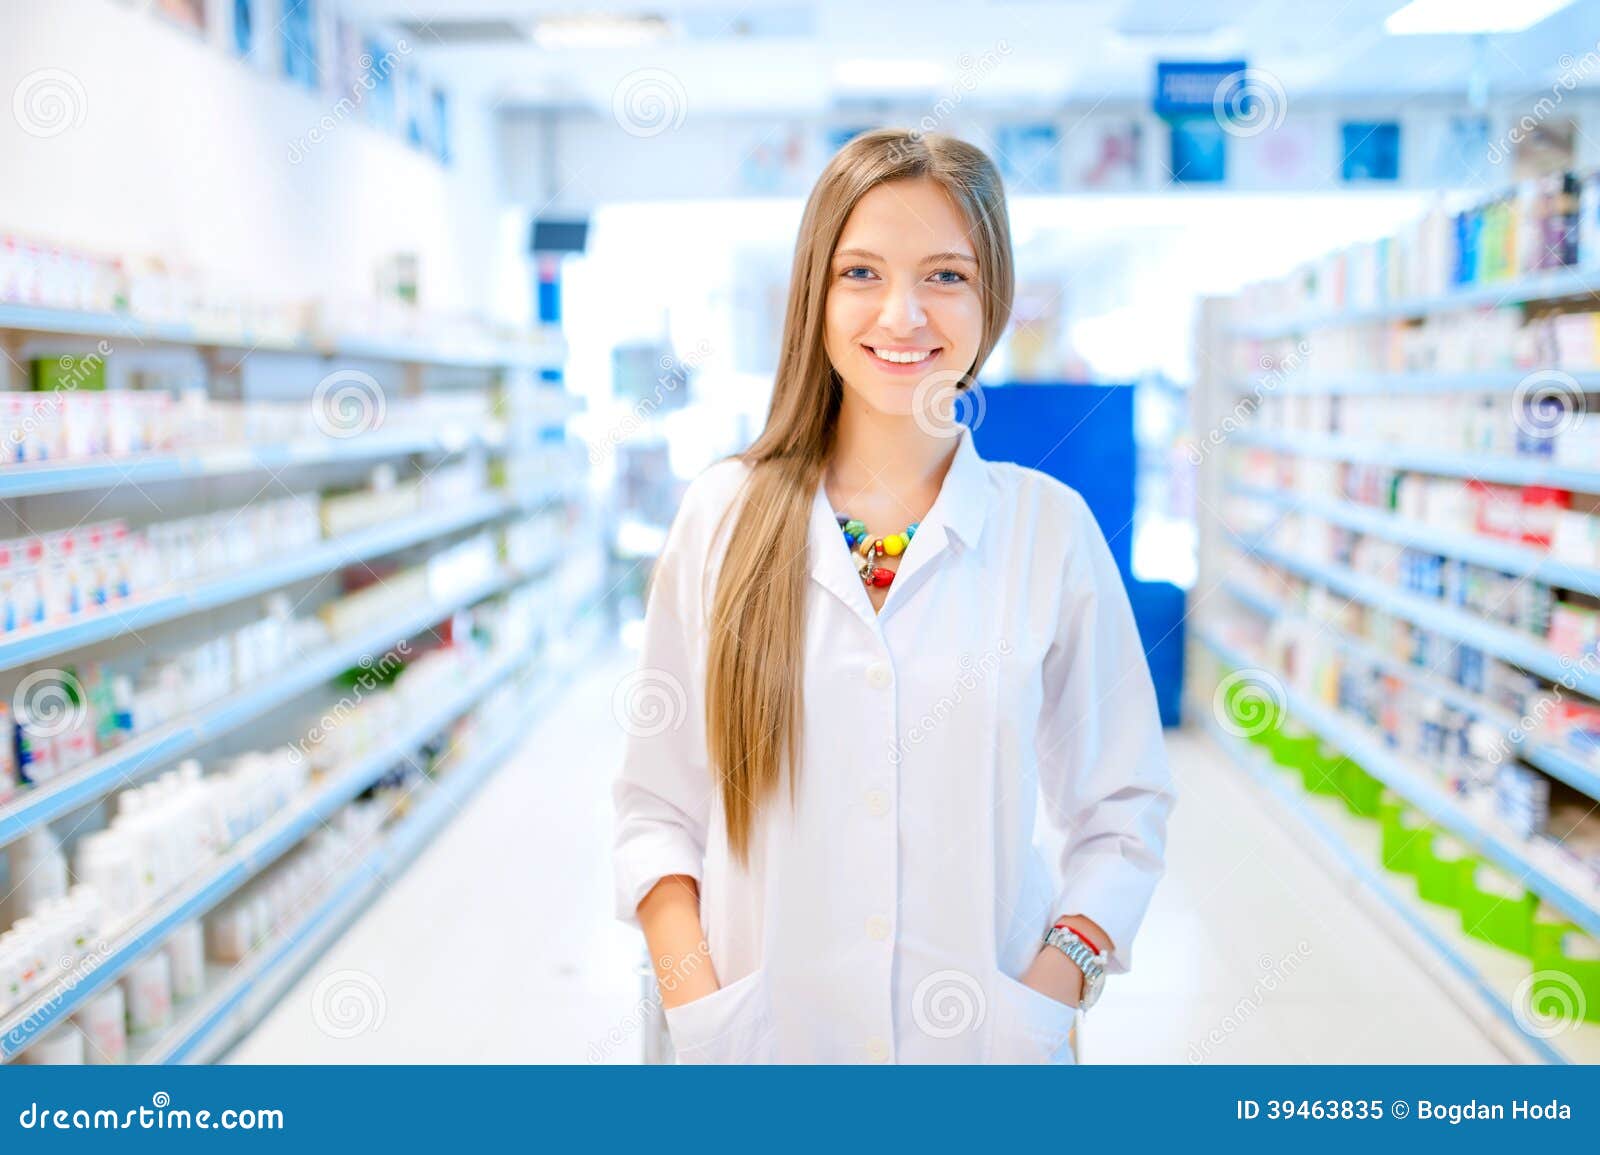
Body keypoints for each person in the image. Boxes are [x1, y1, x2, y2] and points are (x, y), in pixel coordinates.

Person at [611, 127, 1176, 1064]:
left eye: (947, 275)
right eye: (862, 272)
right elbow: (653, 811)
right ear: (815, 298)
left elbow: (1123, 807)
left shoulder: (1049, 530)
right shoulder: (721, 516)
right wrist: (703, 1012)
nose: (904, 313)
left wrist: (1051, 990)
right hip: (760, 1060)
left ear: (991, 299)